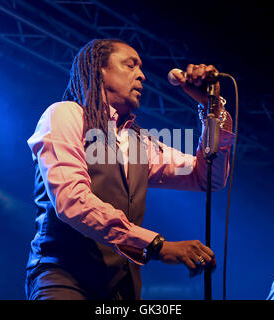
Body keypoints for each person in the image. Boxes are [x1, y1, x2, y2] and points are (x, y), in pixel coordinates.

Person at [25, 38, 234, 300]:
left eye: (141, 67)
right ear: (100, 70)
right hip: (65, 279)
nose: (142, 75)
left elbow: (206, 178)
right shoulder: (65, 115)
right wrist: (156, 245)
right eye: (130, 65)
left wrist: (212, 107)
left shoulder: (139, 142)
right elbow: (72, 201)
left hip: (122, 288)